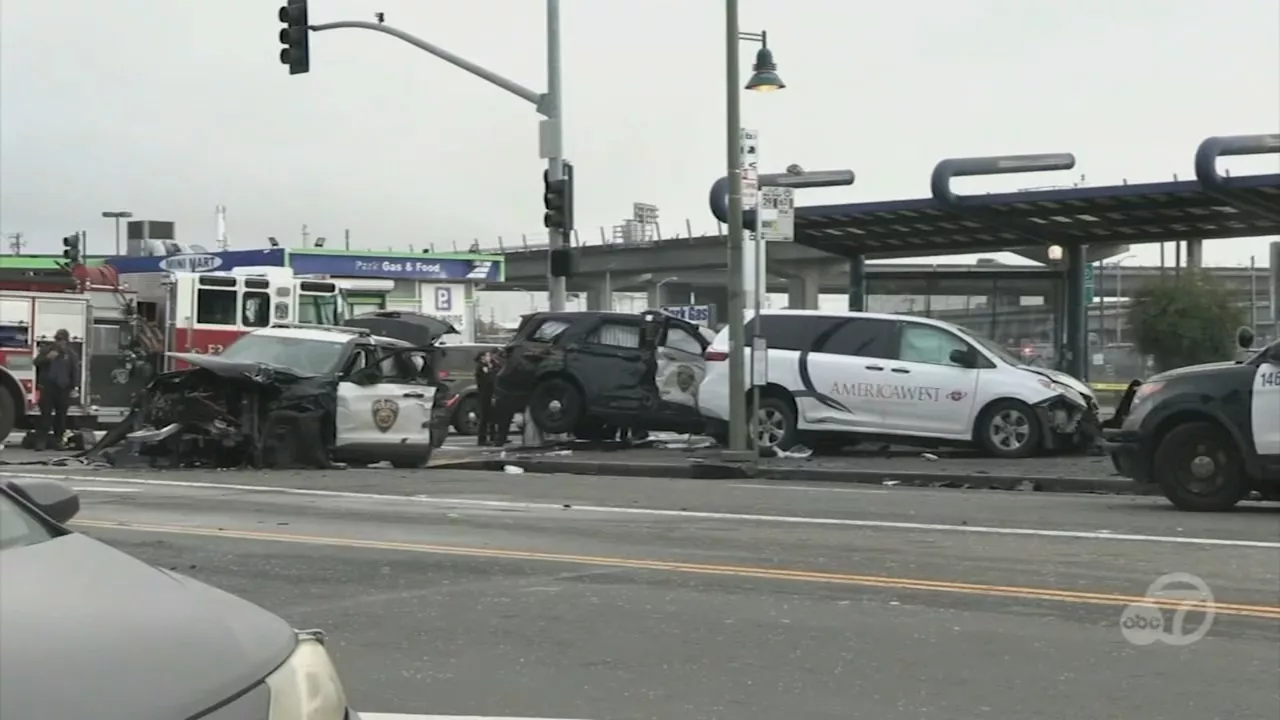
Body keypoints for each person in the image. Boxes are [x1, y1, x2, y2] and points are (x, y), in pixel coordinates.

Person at [34, 329, 80, 451]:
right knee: (45, 416)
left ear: (66, 341)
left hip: (63, 389)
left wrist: (74, 387)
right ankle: (41, 441)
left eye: (61, 340)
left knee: (61, 417)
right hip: (48, 387)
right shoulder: (47, 351)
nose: (59, 342)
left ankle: (58, 441)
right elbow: (36, 362)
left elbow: (75, 371)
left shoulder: (70, 354)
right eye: (57, 339)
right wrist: (47, 358)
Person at [474, 349, 501, 446]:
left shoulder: (491, 366)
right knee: (484, 417)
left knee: (492, 417)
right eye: (487, 356)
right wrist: (490, 370)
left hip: (490, 394)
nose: (489, 358)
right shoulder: (481, 367)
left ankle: (493, 436)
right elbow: (488, 380)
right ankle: (482, 439)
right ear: (482, 358)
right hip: (484, 395)